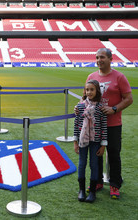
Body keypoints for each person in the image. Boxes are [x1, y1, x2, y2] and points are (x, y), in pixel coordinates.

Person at [85, 48, 133, 199]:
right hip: (95, 124)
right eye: (97, 57)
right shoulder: (91, 76)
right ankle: (97, 181)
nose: (99, 60)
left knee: (113, 154)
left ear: (111, 59)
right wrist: (79, 105)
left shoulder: (119, 77)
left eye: (102, 57)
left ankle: (114, 184)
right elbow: (85, 96)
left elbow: (128, 99)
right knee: (96, 154)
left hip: (113, 124)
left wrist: (114, 109)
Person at [74, 80, 108, 203]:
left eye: (92, 89)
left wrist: (103, 145)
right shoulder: (80, 106)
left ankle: (92, 191)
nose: (89, 92)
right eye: (87, 89)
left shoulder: (100, 108)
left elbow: (104, 126)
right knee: (82, 164)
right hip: (82, 140)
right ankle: (82, 190)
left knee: (94, 165)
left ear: (97, 91)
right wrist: (75, 141)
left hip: (96, 141)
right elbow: (76, 124)